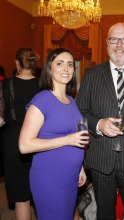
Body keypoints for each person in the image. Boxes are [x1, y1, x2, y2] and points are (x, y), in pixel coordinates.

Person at [76, 22, 124, 220]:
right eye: (114, 39)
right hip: (101, 159)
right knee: (104, 213)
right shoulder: (91, 74)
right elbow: (80, 111)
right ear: (106, 42)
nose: (119, 45)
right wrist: (99, 124)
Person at [18, 48, 89, 220]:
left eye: (70, 64)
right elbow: (24, 145)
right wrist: (67, 140)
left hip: (70, 176)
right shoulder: (42, 99)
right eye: (60, 63)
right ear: (50, 68)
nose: (66, 68)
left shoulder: (71, 100)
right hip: (50, 178)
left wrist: (80, 167)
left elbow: (76, 135)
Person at [0, 47, 40, 220]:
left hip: (14, 144)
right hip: (40, 143)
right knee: (42, 194)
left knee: (20, 197)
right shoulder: (44, 85)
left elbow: (0, 120)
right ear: (34, 64)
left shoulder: (5, 85)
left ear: (17, 63)